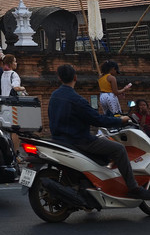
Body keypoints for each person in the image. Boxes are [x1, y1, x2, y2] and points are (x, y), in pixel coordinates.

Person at [48, 63, 150, 199]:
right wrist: (120, 120)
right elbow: (97, 120)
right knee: (119, 149)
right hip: (80, 140)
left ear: (60, 78)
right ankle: (133, 187)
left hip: (58, 139)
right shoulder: (78, 100)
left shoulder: (54, 96)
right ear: (75, 78)